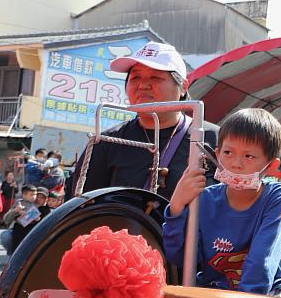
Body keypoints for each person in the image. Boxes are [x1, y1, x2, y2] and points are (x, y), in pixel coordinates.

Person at [68, 42, 219, 200]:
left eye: (155, 77)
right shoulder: (106, 142)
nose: (143, 85)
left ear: (183, 86)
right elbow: (82, 209)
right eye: (136, 77)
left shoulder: (213, 139)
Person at [163, 108, 281, 295]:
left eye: (249, 156)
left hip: (261, 297)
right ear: (217, 154)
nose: (235, 163)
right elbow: (181, 258)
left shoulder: (276, 196)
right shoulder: (205, 199)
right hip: (212, 293)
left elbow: (262, 260)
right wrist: (176, 207)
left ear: (271, 166)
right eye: (228, 152)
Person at [1, 184, 38, 255]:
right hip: (18, 229)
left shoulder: (35, 204)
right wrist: (15, 211)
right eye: (31, 195)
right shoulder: (19, 203)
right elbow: (6, 219)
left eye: (35, 194)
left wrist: (35, 218)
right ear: (24, 195)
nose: (34, 197)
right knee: (16, 245)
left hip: (30, 230)